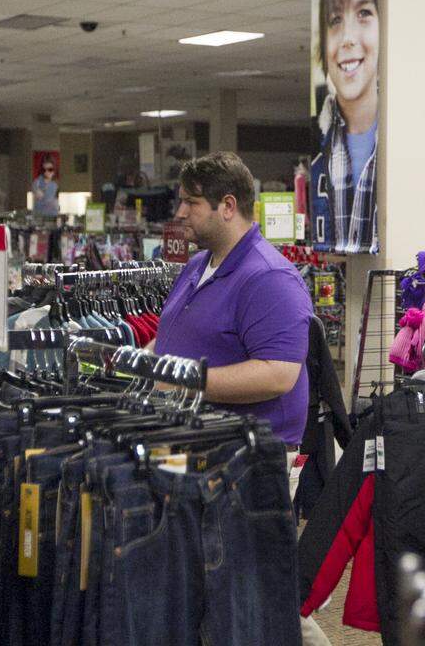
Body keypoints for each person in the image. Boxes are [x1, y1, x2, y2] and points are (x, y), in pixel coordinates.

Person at [151, 151, 332, 645]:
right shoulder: (198, 266)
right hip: (206, 452)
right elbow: (175, 336)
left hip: (254, 460)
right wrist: (141, 358)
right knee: (230, 586)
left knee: (261, 592)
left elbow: (278, 373)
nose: (181, 213)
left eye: (191, 203)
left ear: (227, 206)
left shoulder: (269, 277)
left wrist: (184, 378)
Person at [310, 0, 379, 254]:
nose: (348, 37)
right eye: (335, 19)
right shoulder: (320, 149)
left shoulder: (402, 142)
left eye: (364, 13)